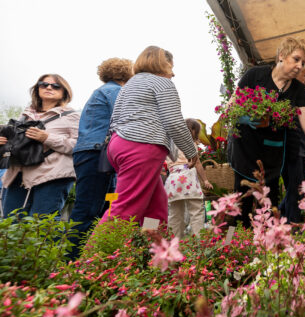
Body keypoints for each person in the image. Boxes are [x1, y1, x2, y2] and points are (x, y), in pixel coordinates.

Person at [98, 46, 198, 227]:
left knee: (156, 210)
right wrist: (192, 151)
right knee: (124, 209)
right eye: (171, 67)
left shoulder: (130, 84)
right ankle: (93, 254)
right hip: (141, 147)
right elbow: (174, 121)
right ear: (162, 64)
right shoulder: (162, 83)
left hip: (118, 144)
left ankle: (155, 251)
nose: (173, 74)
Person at [228, 37, 305, 227]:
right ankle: (233, 245)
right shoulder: (255, 75)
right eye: (296, 59)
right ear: (281, 56)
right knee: (240, 203)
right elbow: (231, 106)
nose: (299, 66)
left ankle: (270, 249)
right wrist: (244, 118)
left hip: (272, 154)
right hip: (245, 150)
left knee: (269, 205)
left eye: (303, 62)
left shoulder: (297, 88)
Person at [69, 58, 133, 257]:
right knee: (88, 209)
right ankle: (71, 261)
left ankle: (89, 258)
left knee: (102, 206)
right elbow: (127, 118)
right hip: (97, 155)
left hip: (95, 155)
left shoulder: (103, 91)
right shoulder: (115, 92)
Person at [0, 74, 79, 218]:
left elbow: (78, 146)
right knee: (10, 223)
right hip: (17, 174)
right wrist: (5, 142)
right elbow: (16, 144)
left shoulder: (71, 116)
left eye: (55, 85)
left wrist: (47, 138)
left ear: (64, 91)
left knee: (43, 224)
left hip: (52, 175)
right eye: (43, 84)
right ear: (37, 89)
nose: (49, 87)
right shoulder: (25, 115)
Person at [165, 118, 212, 238]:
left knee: (175, 213)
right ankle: (199, 240)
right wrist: (205, 180)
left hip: (173, 180)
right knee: (196, 211)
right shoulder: (190, 144)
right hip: (188, 178)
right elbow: (197, 164)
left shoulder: (170, 143)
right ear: (193, 131)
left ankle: (174, 242)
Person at [280, 67, 305, 223]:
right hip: (293, 152)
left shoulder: (300, 96)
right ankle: (293, 221)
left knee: (300, 189)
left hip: (302, 152)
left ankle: (281, 215)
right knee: (295, 189)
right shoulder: (287, 97)